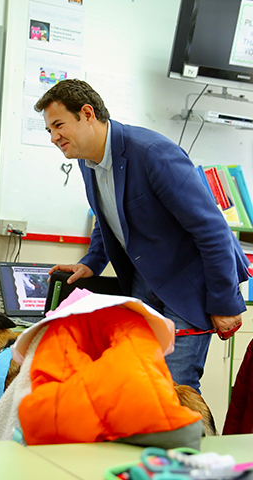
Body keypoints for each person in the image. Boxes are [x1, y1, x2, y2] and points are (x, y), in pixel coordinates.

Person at [35, 79, 249, 392]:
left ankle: (190, 442)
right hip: (144, 283)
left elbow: (212, 229)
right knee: (142, 387)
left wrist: (225, 302)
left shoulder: (152, 153)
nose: (54, 138)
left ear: (87, 113)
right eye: (48, 130)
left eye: (58, 125)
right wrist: (92, 263)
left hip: (188, 285)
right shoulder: (86, 160)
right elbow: (108, 214)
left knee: (176, 389)